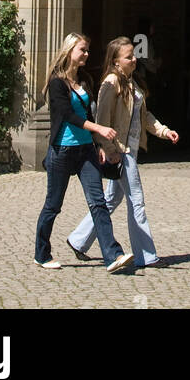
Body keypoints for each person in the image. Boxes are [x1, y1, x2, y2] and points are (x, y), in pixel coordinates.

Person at [66, 37, 179, 269]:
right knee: (136, 200)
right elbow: (102, 120)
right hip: (121, 151)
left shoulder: (131, 81)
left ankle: (78, 240)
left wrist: (164, 131)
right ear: (116, 62)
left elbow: (143, 115)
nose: (134, 59)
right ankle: (146, 256)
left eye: (133, 55)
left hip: (132, 149)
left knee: (111, 199)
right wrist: (109, 150)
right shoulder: (111, 83)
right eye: (129, 56)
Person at [34, 32, 134, 272]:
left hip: (85, 151)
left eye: (87, 50)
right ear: (69, 51)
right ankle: (41, 253)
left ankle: (113, 255)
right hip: (62, 151)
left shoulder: (85, 80)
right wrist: (99, 128)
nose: (87, 54)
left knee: (98, 202)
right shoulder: (57, 83)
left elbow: (88, 113)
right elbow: (68, 115)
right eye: (83, 50)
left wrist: (98, 144)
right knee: (53, 204)